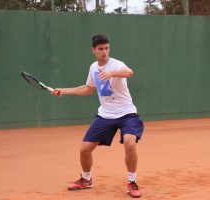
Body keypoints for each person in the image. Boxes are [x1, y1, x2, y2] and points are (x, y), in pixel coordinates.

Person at [52, 34, 144, 198]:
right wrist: (64, 91)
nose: (104, 52)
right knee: (84, 149)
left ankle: (132, 181)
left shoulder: (117, 64)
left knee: (130, 143)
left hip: (127, 113)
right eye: (100, 49)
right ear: (93, 50)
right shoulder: (93, 67)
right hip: (105, 115)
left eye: (106, 48)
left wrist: (112, 74)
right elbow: (88, 89)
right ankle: (86, 179)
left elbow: (129, 72)